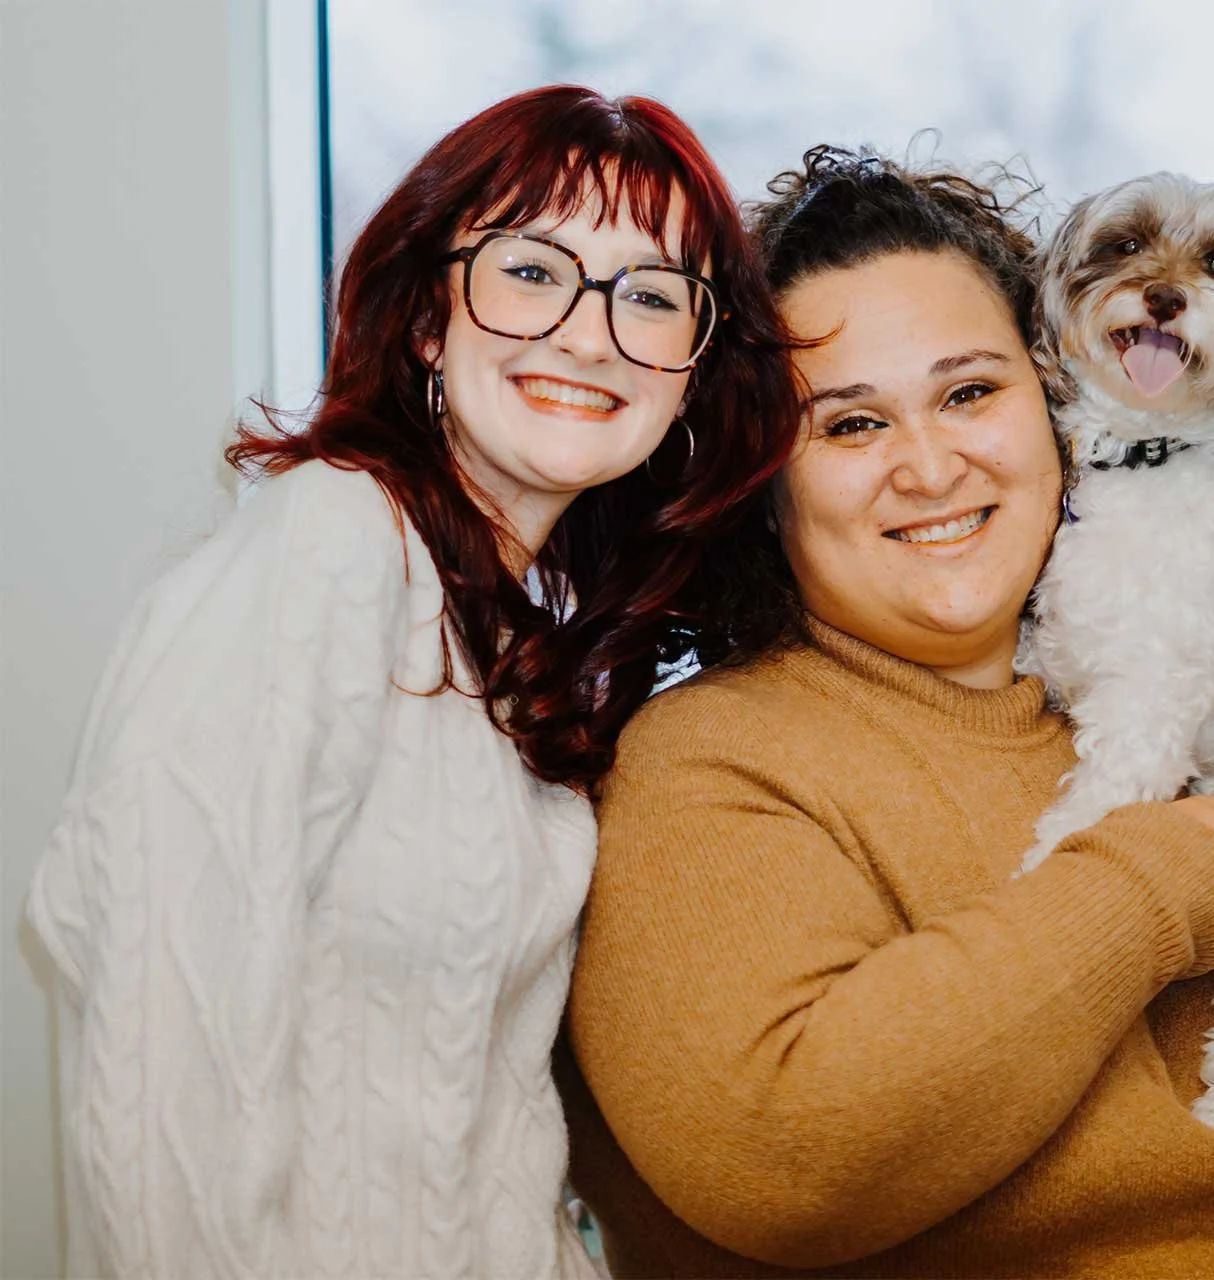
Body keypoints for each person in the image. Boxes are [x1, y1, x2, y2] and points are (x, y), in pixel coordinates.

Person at [557, 146, 1214, 1277]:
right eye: (850, 425)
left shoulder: (1178, 696)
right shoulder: (709, 764)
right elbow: (785, 1162)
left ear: (1055, 396)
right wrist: (1149, 886)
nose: (930, 464)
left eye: (970, 393)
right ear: (764, 474)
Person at [25, 86, 796, 1279]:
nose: (590, 336)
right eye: (533, 271)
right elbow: (155, 1070)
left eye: (649, 295)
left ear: (692, 371)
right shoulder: (329, 545)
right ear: (429, 316)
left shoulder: (508, 637)